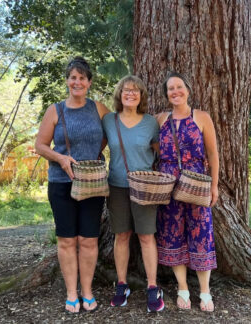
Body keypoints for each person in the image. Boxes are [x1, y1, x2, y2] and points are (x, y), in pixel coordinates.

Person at [35, 57, 109, 314]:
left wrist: (91, 157)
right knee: (67, 240)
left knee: (88, 240)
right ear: (67, 81)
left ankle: (87, 291)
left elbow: (111, 135)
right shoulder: (55, 110)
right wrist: (61, 158)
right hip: (61, 183)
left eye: (82, 78)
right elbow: (41, 146)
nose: (77, 82)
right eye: (73, 78)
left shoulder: (99, 108)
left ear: (89, 82)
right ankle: (71, 294)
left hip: (92, 184)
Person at [155, 72, 219, 312]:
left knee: (201, 234)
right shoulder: (160, 119)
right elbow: (150, 146)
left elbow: (213, 155)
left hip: (197, 184)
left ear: (188, 90)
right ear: (167, 94)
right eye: (170, 88)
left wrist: (214, 186)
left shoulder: (201, 117)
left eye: (179, 87)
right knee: (173, 235)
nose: (175, 91)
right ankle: (182, 287)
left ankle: (205, 291)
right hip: (168, 187)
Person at [102, 75, 164, 313]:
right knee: (122, 235)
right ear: (119, 94)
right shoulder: (109, 120)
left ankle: (152, 286)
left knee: (147, 236)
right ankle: (121, 285)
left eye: (136, 91)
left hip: (145, 187)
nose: (130, 94)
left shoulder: (150, 123)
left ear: (141, 96)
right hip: (116, 186)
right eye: (126, 90)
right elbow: (98, 147)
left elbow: (161, 152)